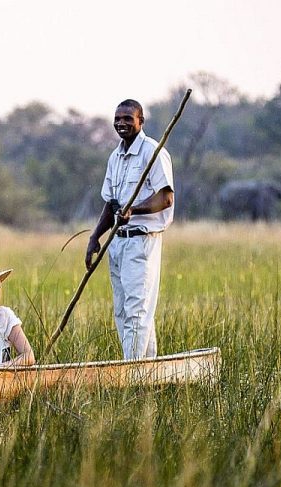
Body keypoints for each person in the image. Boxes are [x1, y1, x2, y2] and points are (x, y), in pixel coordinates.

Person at [85, 99, 175, 360]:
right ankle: (146, 374)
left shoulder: (153, 152)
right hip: (117, 242)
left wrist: (134, 210)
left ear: (140, 121)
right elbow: (110, 203)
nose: (121, 124)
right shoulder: (115, 156)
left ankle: (131, 374)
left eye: (127, 119)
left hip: (141, 241)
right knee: (124, 311)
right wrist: (94, 237)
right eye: (117, 119)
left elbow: (165, 198)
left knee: (138, 310)